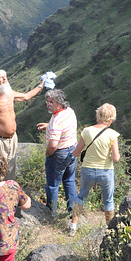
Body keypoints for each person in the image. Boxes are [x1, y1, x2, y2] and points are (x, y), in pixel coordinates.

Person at [69, 103, 121, 236]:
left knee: (81, 197)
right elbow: (116, 158)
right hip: (105, 171)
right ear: (111, 118)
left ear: (98, 115)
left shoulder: (87, 131)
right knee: (108, 200)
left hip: (88, 170)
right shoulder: (112, 134)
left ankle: (73, 226)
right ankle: (109, 230)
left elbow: (76, 153)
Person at [36, 89, 78, 218]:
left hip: (59, 154)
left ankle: (51, 213)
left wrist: (48, 154)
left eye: (52, 102)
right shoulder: (69, 111)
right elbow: (63, 126)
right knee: (69, 181)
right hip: (72, 150)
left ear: (60, 103)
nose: (48, 104)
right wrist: (48, 126)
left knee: (53, 185)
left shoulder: (56, 121)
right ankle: (73, 212)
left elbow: (53, 144)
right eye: (47, 101)